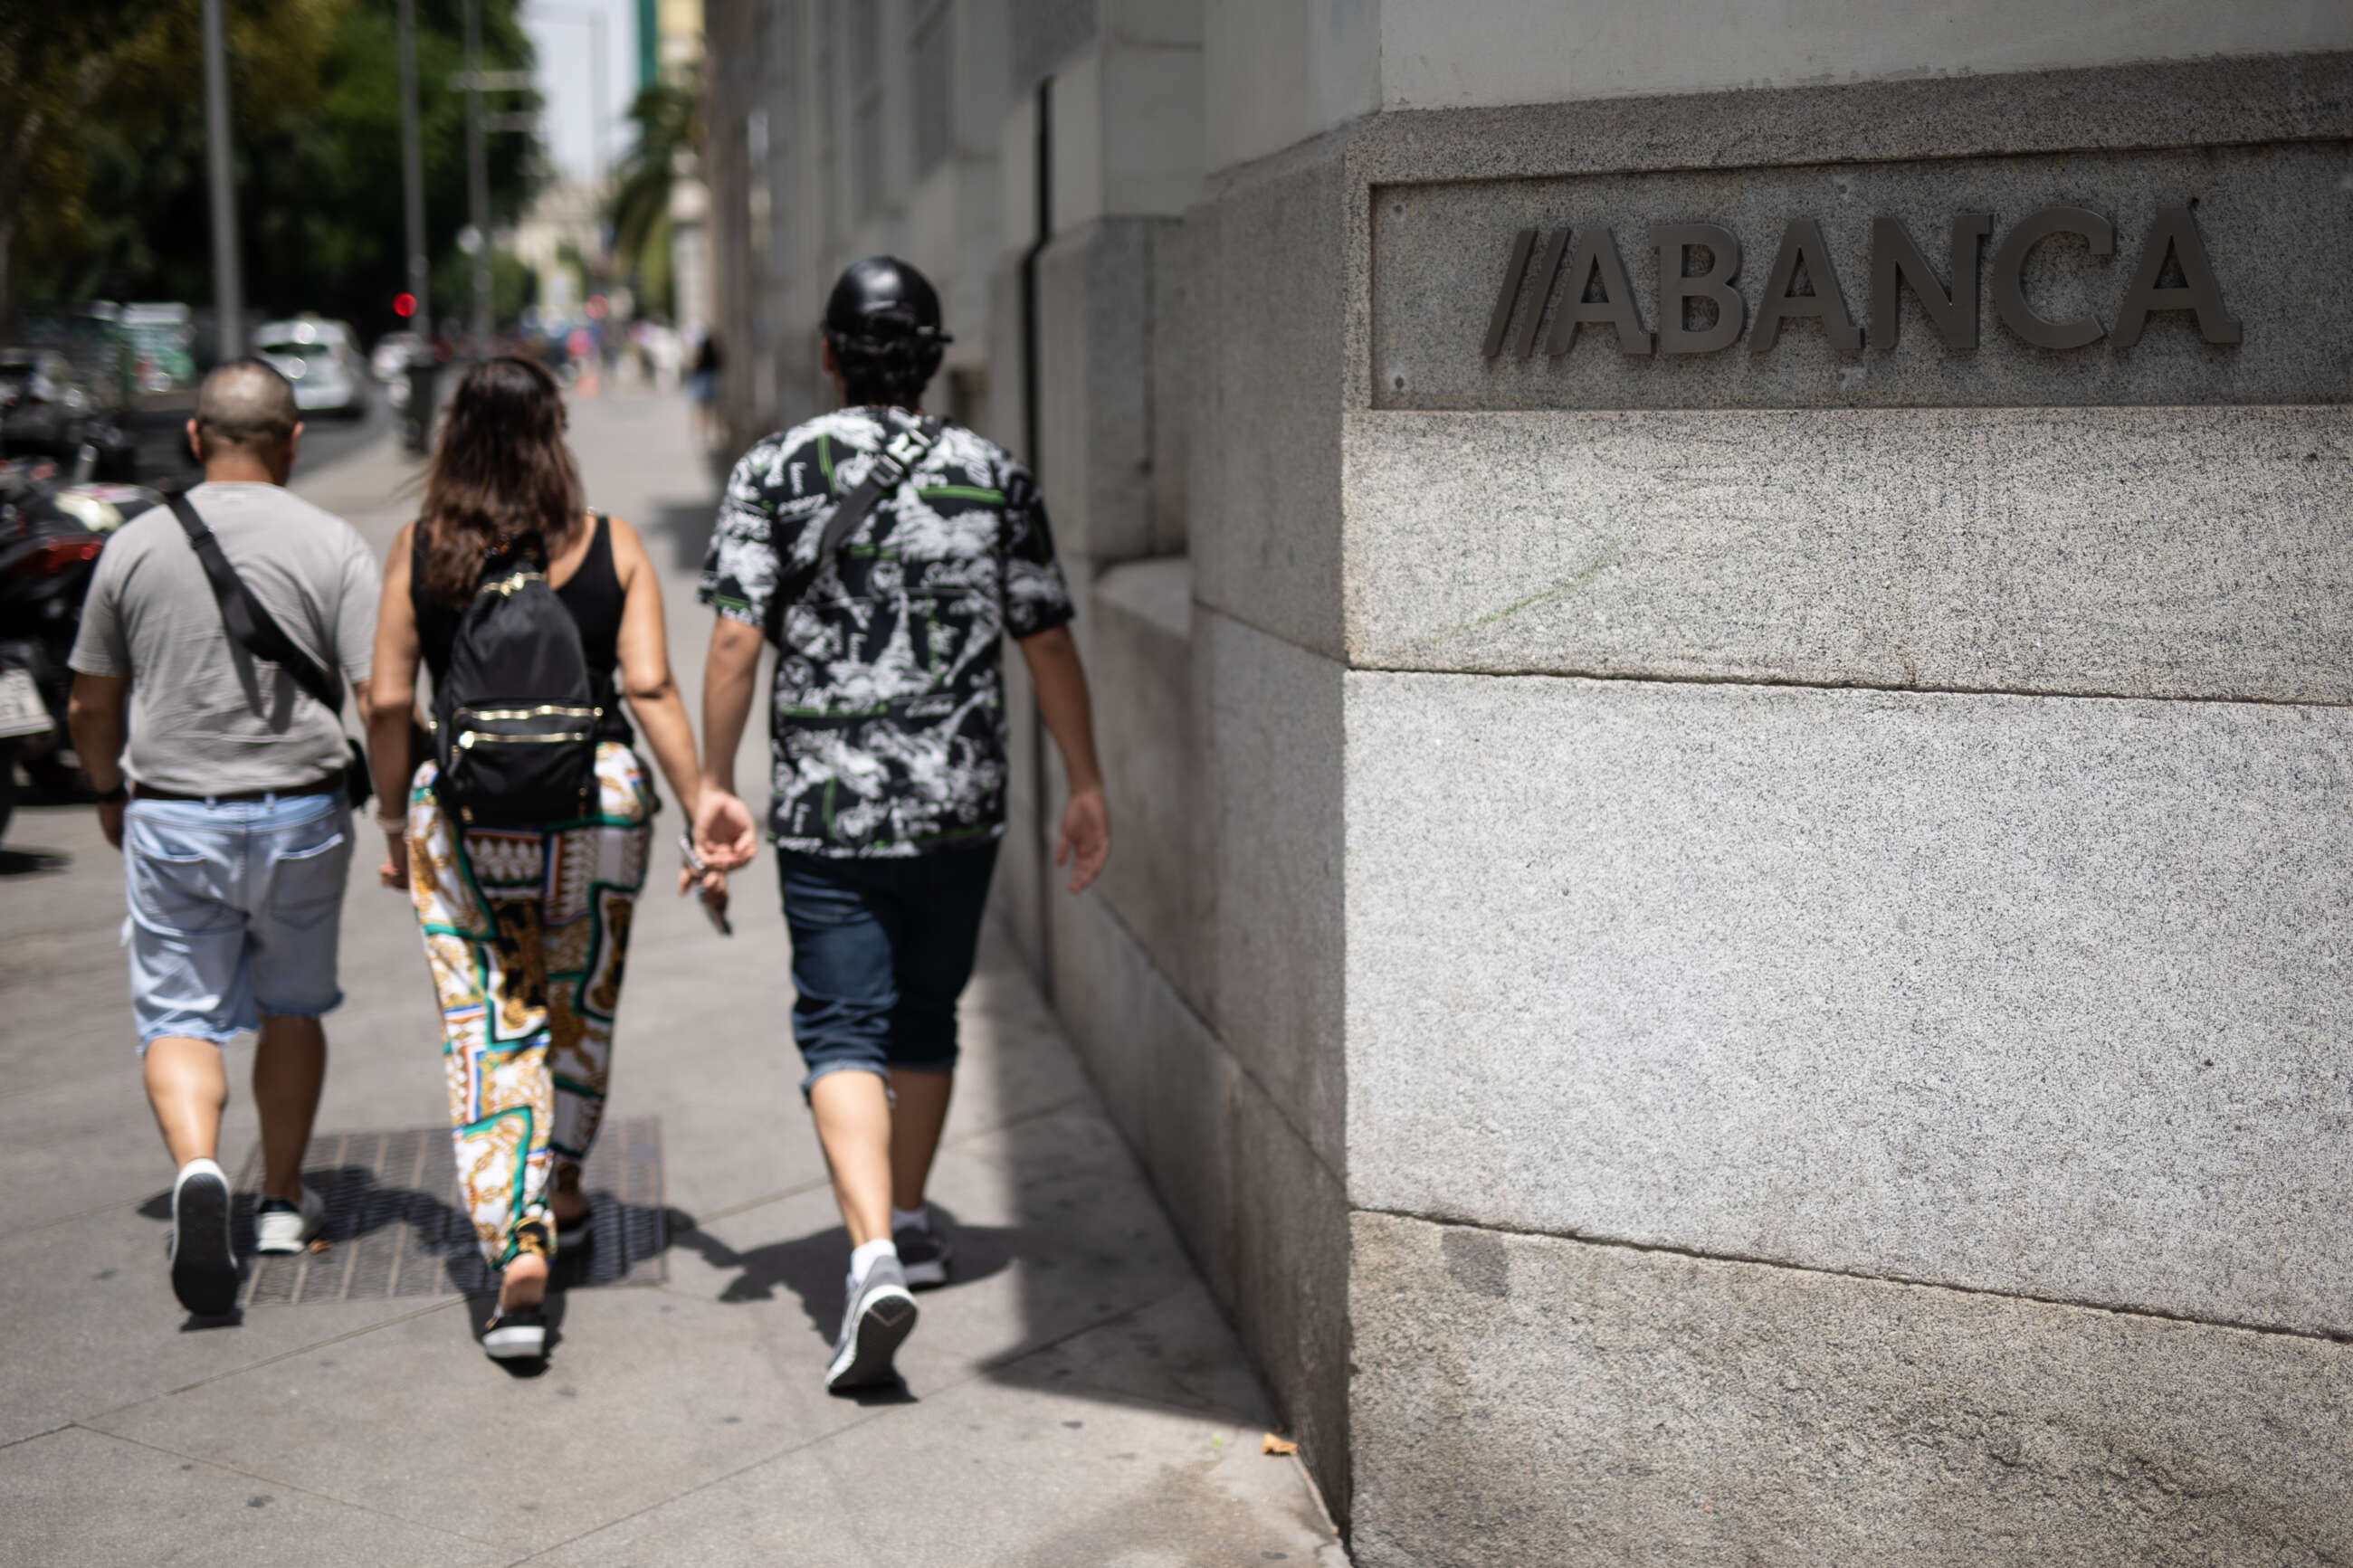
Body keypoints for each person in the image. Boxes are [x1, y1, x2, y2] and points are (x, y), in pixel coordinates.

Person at [691, 257, 1110, 1392]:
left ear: (828, 354)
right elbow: (1048, 640)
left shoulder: (773, 471)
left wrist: (711, 780)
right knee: (924, 1015)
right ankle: (913, 1217)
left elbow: (734, 641)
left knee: (839, 1028)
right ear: (932, 359)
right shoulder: (992, 473)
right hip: (956, 804)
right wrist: (1085, 779)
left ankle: (868, 1246)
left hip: (828, 807)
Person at [366, 356, 745, 1361]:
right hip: (597, 807)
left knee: (488, 1022)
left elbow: (387, 699)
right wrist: (705, 794)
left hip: (464, 817)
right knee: (579, 997)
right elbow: (653, 686)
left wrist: (393, 825)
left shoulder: (420, 551)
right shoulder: (609, 546)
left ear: (452, 436)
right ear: (555, 434)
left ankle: (518, 1250)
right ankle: (566, 1180)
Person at [65, 360, 378, 1317]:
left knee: (180, 1015)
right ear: (291, 439)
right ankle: (282, 1201)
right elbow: (383, 694)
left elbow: (88, 699)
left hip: (173, 814)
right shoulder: (333, 543)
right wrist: (404, 812)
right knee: (291, 1003)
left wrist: (106, 789)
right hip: (300, 812)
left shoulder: (135, 546)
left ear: (194, 439)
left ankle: (202, 1169)